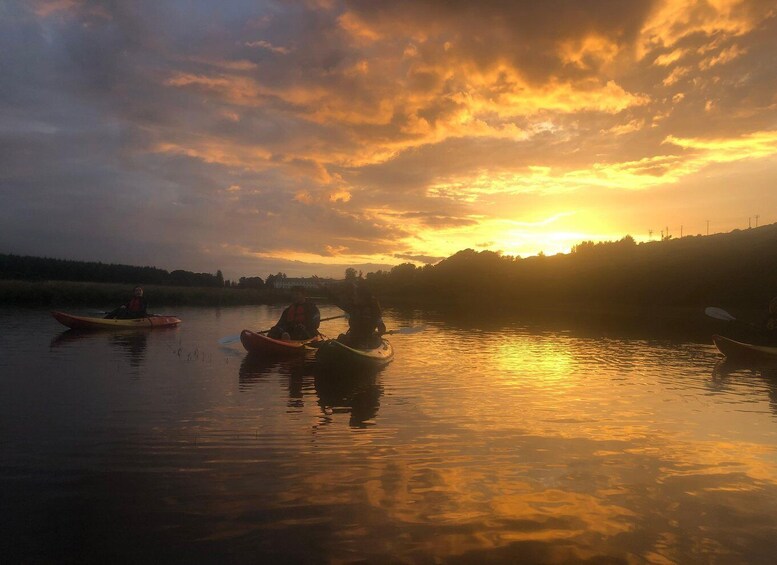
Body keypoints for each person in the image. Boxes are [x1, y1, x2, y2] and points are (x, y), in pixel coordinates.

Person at [328, 281, 386, 348]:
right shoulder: (353, 307)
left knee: (375, 340)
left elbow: (381, 327)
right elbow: (337, 301)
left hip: (367, 339)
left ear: (363, 297)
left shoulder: (374, 309)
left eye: (355, 295)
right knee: (341, 337)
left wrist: (379, 333)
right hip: (353, 337)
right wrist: (325, 290)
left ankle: (364, 345)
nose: (353, 297)